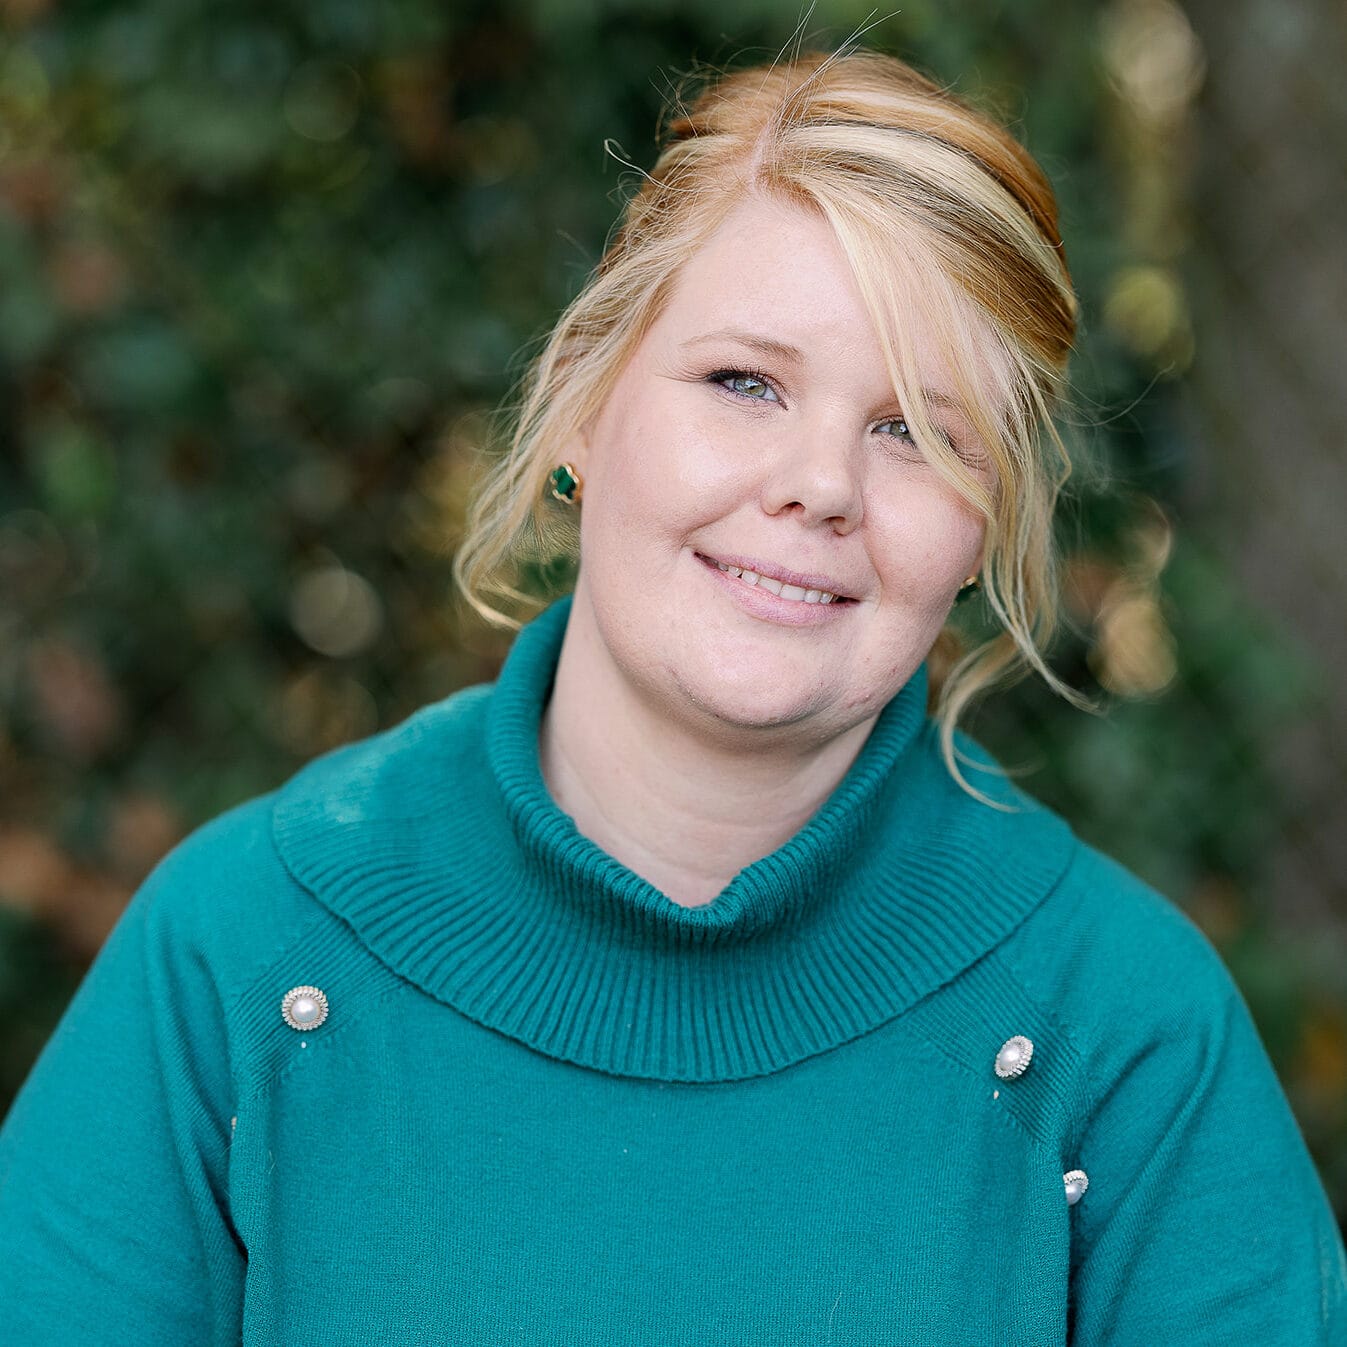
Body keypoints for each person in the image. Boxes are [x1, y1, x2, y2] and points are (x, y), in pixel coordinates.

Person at [0, 46, 1343, 1347]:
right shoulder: (244, 955)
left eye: (916, 434)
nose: (819, 484)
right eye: (743, 382)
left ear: (987, 526)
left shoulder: (1123, 1032)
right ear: (587, 400)